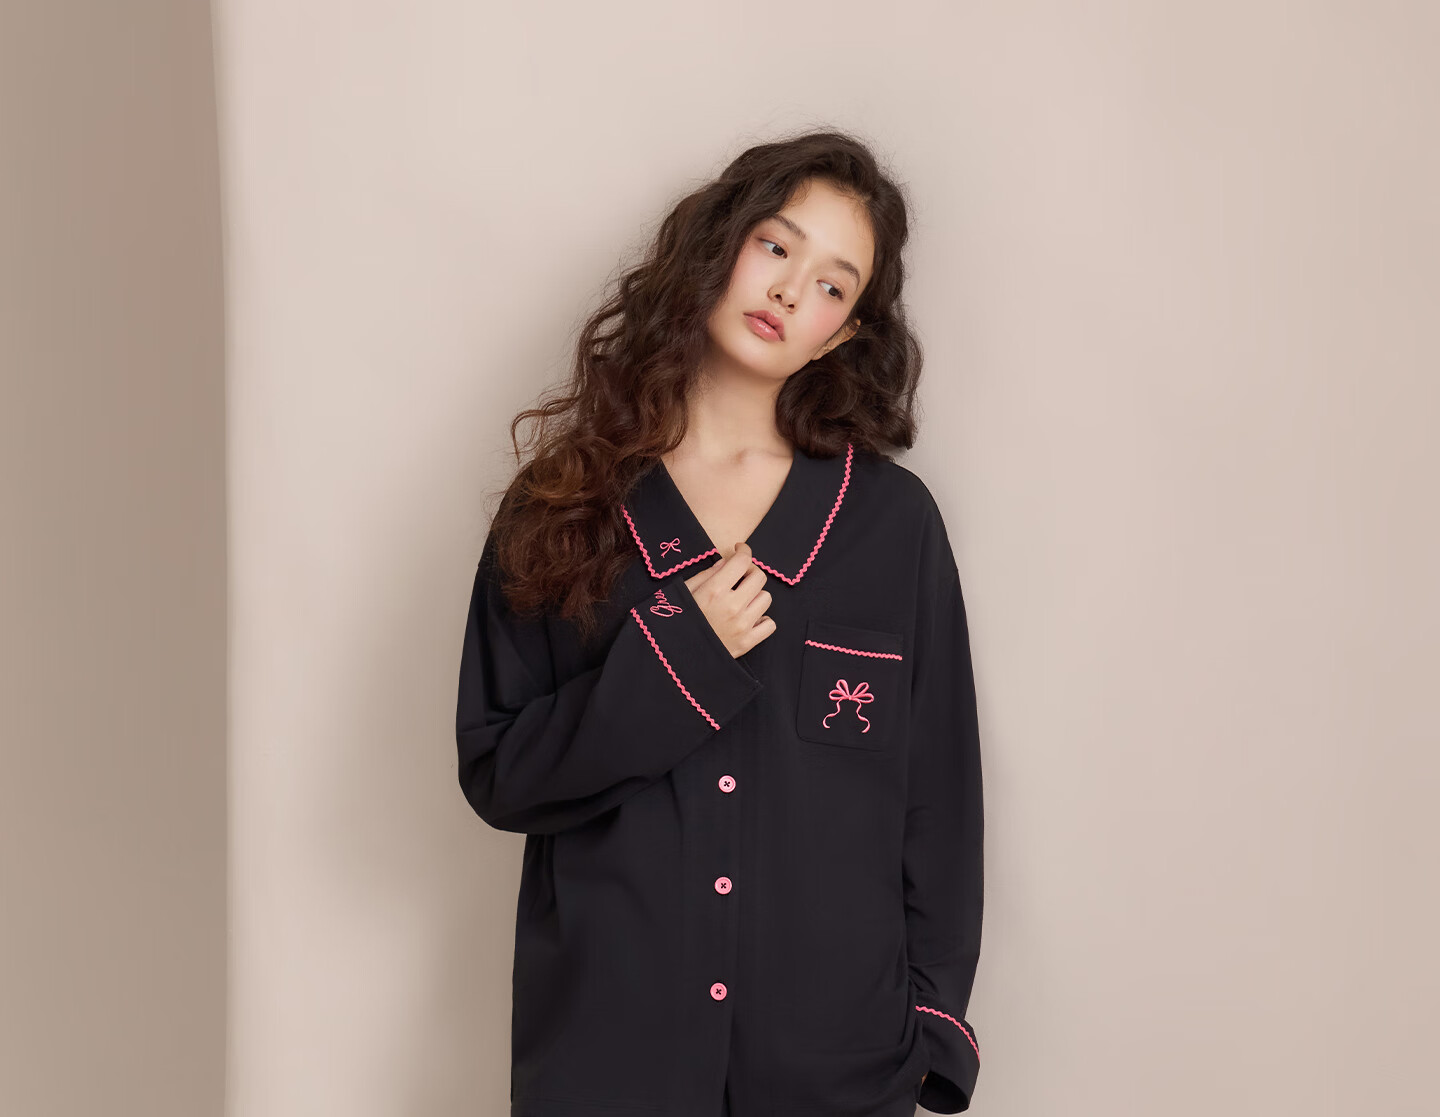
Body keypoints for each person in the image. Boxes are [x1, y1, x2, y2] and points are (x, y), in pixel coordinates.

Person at [455, 128, 984, 1116]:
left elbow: (939, 801)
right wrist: (672, 664)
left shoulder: (891, 526)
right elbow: (498, 770)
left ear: (845, 333)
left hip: (837, 1075)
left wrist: (930, 1034)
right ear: (720, 242)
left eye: (831, 285)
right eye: (775, 246)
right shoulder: (565, 503)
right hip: (610, 1064)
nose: (788, 290)